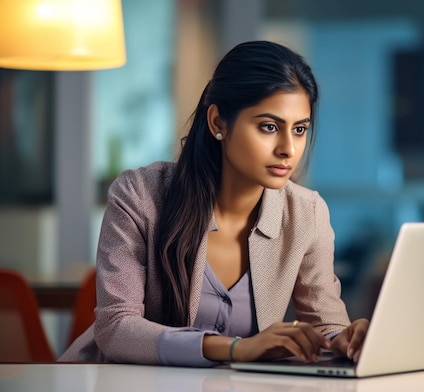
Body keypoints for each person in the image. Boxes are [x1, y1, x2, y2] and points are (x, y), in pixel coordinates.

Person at [59, 40, 369, 367]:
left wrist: (343, 340)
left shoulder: (307, 214)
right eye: (269, 127)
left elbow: (326, 323)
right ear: (218, 123)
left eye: (300, 129)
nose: (288, 149)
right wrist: (236, 349)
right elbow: (116, 328)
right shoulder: (139, 195)